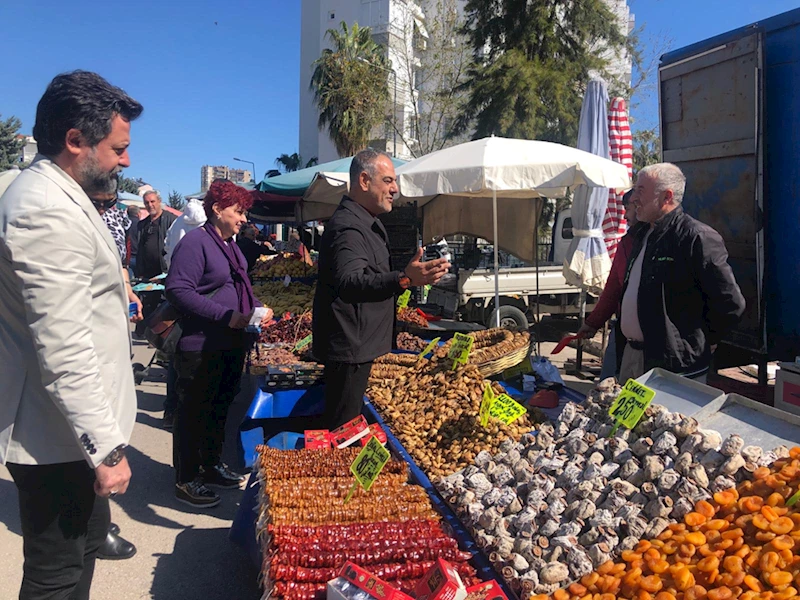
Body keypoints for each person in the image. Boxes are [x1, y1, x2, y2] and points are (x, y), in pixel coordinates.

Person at [0, 70, 141, 599]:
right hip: (55, 437)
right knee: (55, 575)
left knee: (80, 554)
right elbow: (64, 347)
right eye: (117, 148)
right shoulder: (42, 207)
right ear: (75, 141)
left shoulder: (59, 193)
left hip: (67, 434)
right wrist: (105, 448)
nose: (124, 161)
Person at [313, 149, 450, 429]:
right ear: (364, 180)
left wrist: (406, 279)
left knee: (350, 429)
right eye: (388, 181)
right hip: (350, 349)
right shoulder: (348, 227)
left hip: (361, 346)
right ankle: (344, 471)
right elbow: (350, 282)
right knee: (343, 431)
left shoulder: (366, 221)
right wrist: (403, 279)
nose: (395, 189)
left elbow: (369, 277)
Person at [166, 179, 274, 508]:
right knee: (193, 415)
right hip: (201, 346)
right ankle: (186, 479)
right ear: (217, 209)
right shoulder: (196, 243)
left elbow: (240, 285)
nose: (244, 218)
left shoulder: (229, 244)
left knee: (217, 411)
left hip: (229, 345)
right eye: (239, 211)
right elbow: (178, 290)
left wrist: (256, 310)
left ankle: (210, 466)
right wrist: (226, 315)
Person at [618, 163, 746, 382]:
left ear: (666, 197)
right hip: (633, 357)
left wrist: (701, 342)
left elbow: (731, 303)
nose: (633, 198)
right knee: (623, 417)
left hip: (674, 367)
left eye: (641, 190)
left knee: (666, 418)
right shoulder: (641, 234)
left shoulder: (695, 237)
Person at [89, 191, 142, 561]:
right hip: (86, 347)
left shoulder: (110, 217)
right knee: (89, 441)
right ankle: (93, 530)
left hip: (108, 336)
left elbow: (117, 265)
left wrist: (127, 291)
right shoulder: (68, 214)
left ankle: (95, 522)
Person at [577, 190, 641, 380]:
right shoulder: (627, 243)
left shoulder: (660, 241)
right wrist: (592, 322)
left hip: (651, 343)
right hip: (622, 332)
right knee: (610, 383)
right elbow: (613, 287)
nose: (625, 216)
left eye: (628, 209)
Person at [159, 197, 208, 429]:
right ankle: (184, 414)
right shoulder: (207, 226)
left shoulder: (177, 223)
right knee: (187, 356)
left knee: (175, 354)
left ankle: (171, 410)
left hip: (177, 288)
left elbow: (167, 249)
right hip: (198, 295)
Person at [126, 204, 140, 275]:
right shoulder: (141, 225)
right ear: (138, 214)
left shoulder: (124, 224)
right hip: (138, 256)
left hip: (126, 257)